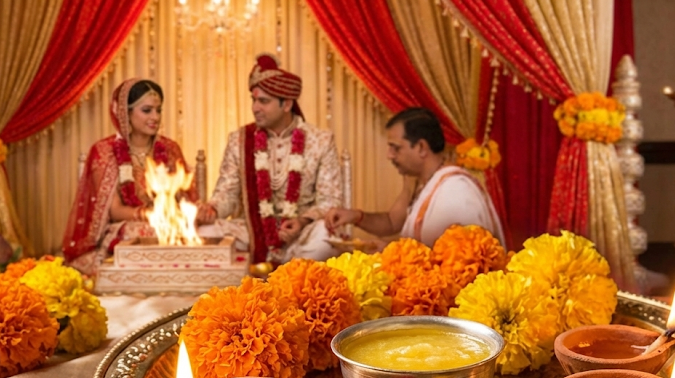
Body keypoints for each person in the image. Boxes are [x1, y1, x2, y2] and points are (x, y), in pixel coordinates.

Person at [195, 54, 342, 265]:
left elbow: (331, 201)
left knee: (326, 235)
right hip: (251, 232)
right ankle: (287, 269)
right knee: (203, 231)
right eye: (254, 100)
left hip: (301, 233)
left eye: (263, 101)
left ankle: (292, 276)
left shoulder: (320, 140)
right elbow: (227, 194)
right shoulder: (239, 140)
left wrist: (302, 221)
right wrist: (212, 209)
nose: (255, 108)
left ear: (287, 104)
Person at [62, 79, 193, 275]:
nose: (155, 117)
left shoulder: (170, 149)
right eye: (147, 110)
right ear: (125, 113)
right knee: (146, 232)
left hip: (170, 225)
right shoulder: (105, 152)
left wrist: (178, 214)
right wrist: (148, 215)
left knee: (215, 230)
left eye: (159, 110)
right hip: (125, 229)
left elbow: (184, 200)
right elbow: (114, 210)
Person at [325, 107, 506, 248]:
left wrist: (391, 254)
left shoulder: (456, 191)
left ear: (421, 147)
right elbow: (392, 221)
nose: (389, 155)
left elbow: (459, 264)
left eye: (396, 148)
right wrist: (355, 216)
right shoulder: (419, 182)